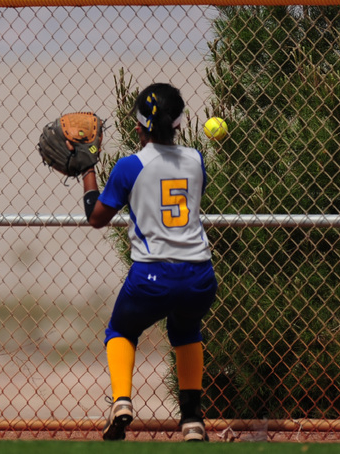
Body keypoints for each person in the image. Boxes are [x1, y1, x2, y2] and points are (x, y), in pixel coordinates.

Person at [81, 83, 218, 442]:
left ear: (139, 127)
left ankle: (122, 402)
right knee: (186, 332)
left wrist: (88, 170)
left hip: (152, 274)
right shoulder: (196, 160)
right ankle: (192, 420)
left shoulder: (130, 166)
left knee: (121, 330)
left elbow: (97, 218)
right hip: (199, 275)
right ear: (178, 125)